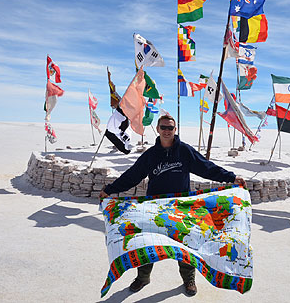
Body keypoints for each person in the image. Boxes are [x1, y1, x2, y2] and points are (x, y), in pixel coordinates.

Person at [99, 114, 246, 296]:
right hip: (154, 207)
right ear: (158, 129)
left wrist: (231, 177)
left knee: (186, 243)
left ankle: (188, 279)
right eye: (163, 127)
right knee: (146, 243)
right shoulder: (150, 155)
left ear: (175, 130)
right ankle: (143, 277)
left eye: (170, 128)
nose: (167, 131)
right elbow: (132, 175)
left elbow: (206, 167)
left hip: (180, 206)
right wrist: (110, 189)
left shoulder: (184, 151)